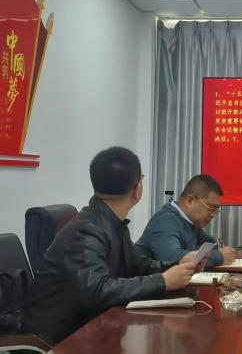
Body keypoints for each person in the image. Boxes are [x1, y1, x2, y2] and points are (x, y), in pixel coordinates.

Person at [20, 147, 201, 345]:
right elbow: (97, 290)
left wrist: (178, 266)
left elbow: (137, 265)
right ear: (137, 189)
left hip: (91, 328)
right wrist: (163, 281)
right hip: (59, 340)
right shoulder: (86, 231)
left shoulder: (110, 222)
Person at [136, 174, 236, 268]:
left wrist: (189, 253)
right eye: (211, 207)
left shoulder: (190, 222)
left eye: (216, 210)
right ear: (189, 201)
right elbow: (173, 260)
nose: (213, 214)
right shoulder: (165, 220)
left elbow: (211, 245)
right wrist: (219, 256)